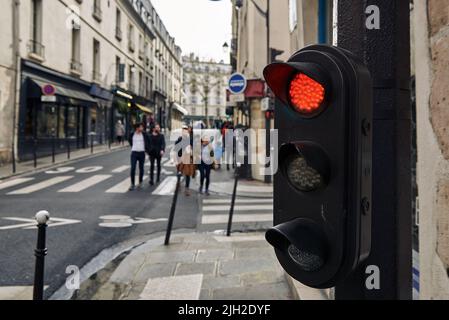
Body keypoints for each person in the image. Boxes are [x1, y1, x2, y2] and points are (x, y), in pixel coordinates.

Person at [128, 123, 150, 191]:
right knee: (133, 168)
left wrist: (147, 150)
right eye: (141, 127)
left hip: (142, 153)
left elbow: (148, 142)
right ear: (137, 128)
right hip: (134, 153)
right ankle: (132, 184)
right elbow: (130, 141)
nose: (142, 128)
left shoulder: (144, 134)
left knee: (141, 168)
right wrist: (133, 147)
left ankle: (140, 183)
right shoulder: (132, 134)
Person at [175, 125, 196, 196]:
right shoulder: (179, 139)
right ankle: (178, 184)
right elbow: (176, 148)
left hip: (187, 158)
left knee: (187, 174)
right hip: (180, 158)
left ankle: (187, 189)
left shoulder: (191, 139)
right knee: (179, 171)